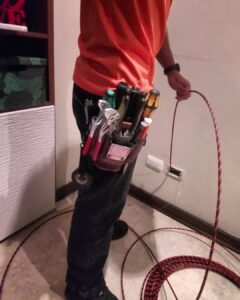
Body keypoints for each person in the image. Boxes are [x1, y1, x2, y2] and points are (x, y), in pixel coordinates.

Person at [65, 1, 191, 299]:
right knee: (101, 198)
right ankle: (83, 288)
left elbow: (152, 23)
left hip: (112, 88)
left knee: (106, 186)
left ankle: (102, 229)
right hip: (115, 94)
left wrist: (170, 68)